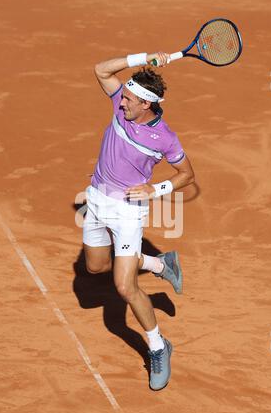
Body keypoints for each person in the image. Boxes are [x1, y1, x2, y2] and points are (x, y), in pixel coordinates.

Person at [82, 51, 195, 390]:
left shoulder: (165, 138)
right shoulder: (121, 100)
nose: (120, 103)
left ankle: (159, 347)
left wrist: (154, 188)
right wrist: (144, 56)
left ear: (146, 105)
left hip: (128, 211)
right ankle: (161, 265)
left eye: (128, 100)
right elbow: (100, 67)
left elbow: (186, 175)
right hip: (97, 198)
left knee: (124, 286)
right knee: (95, 268)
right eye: (122, 97)